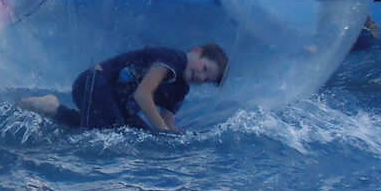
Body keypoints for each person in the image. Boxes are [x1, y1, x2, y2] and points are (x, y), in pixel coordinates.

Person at [19, 43, 229, 133]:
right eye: (204, 68)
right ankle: (54, 107)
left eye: (206, 79)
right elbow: (142, 94)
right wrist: (162, 129)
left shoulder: (181, 89)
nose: (200, 76)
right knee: (116, 130)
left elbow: (168, 120)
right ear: (197, 51)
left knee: (140, 138)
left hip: (114, 106)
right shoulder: (171, 59)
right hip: (92, 84)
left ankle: (82, 117)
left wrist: (172, 133)